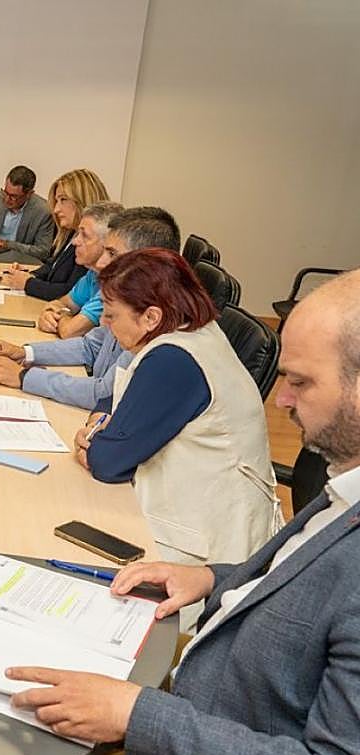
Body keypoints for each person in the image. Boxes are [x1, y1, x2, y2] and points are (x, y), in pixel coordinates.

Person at [7, 271, 360, 755]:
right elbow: (297, 577)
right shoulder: (349, 483)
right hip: (207, 708)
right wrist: (212, 578)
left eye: (300, 382)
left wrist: (138, 716)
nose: (282, 400)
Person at [77, 250, 281, 611]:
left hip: (206, 554)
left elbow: (108, 462)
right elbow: (113, 397)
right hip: (204, 519)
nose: (105, 324)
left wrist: (92, 441)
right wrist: (100, 423)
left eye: (112, 315)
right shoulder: (192, 332)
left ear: (151, 316)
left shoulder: (174, 359)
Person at [0, 207, 181, 411]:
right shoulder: (126, 299)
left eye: (112, 253)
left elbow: (102, 394)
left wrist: (23, 376)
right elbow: (89, 347)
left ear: (147, 263)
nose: (102, 261)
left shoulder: (149, 319)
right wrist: (25, 352)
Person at [1, 168, 110, 301]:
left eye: (63, 200)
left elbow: (71, 291)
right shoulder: (71, 233)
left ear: (82, 200)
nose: (56, 209)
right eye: (57, 201)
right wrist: (28, 275)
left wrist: (28, 283)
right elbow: (52, 266)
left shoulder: (92, 244)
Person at [34, 201, 122, 338]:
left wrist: (60, 315)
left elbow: (69, 331)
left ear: (106, 243)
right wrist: (49, 313)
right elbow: (62, 302)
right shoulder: (92, 274)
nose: (75, 242)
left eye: (84, 235)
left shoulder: (115, 284)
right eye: (77, 234)